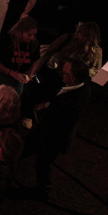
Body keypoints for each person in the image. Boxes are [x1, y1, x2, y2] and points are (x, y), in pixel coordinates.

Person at [27, 59, 91, 199]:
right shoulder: (81, 86)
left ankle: (43, 191)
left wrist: (40, 110)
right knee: (30, 148)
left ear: (74, 78)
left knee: (43, 162)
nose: (62, 74)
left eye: (65, 73)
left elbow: (51, 122)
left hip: (54, 137)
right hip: (49, 131)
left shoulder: (72, 103)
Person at [20, 22, 102, 124]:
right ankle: (26, 114)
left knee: (50, 99)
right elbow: (49, 52)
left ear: (90, 38)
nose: (78, 36)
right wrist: (34, 71)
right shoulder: (67, 38)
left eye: (83, 35)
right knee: (35, 90)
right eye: (78, 32)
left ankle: (37, 118)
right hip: (50, 72)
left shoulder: (96, 52)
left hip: (65, 80)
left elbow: (96, 70)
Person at [0, 17, 41, 113]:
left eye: (34, 35)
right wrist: (11, 73)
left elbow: (36, 60)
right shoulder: (5, 41)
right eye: (29, 35)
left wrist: (30, 73)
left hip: (18, 80)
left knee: (8, 105)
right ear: (20, 31)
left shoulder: (33, 44)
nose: (32, 38)